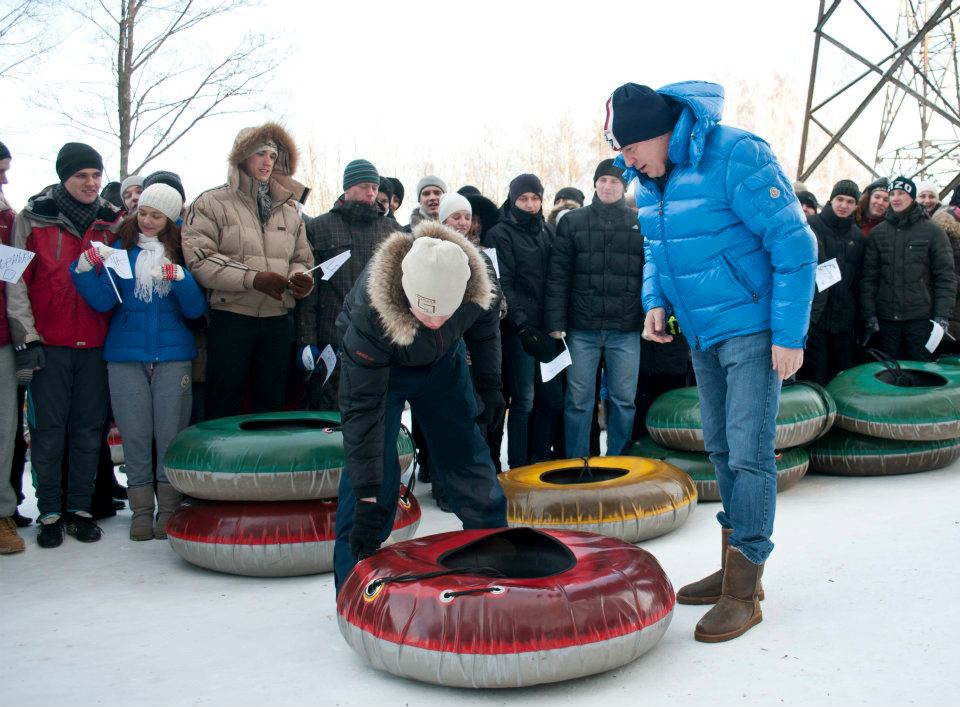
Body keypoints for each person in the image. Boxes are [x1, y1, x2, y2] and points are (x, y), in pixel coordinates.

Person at [606, 81, 816, 641]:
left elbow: (795, 244)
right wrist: (655, 301)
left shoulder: (736, 154)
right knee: (721, 445)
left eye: (629, 150)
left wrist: (789, 333)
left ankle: (744, 591)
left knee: (749, 450)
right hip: (701, 331)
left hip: (752, 325)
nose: (625, 162)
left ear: (657, 133)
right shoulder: (648, 184)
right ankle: (734, 566)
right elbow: (657, 249)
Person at [332, 220, 506, 589]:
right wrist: (367, 500)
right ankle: (353, 580)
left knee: (468, 455)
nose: (434, 321)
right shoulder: (369, 316)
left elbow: (485, 326)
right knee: (375, 472)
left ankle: (495, 557)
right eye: (426, 313)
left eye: (444, 314)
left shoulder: (478, 281)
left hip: (444, 364)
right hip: (382, 370)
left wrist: (490, 384)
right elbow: (362, 417)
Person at [70, 184, 206, 540]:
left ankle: (170, 511)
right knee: (135, 435)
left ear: (170, 220)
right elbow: (103, 302)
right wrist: (83, 271)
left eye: (155, 216)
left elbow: (194, 310)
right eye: (142, 212)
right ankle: (141, 511)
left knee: (169, 434)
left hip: (173, 355)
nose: (146, 220)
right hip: (126, 356)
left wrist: (181, 280)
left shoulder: (181, 254)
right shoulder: (120, 251)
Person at [6, 142, 123, 548]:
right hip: (49, 342)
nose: (91, 183)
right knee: (48, 430)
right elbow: (15, 282)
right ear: (64, 178)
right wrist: (27, 337)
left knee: (89, 430)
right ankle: (50, 511)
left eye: (96, 175)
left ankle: (80, 509)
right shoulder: (33, 218)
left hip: (96, 342)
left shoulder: (112, 223)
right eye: (81, 176)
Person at [182, 123, 314, 420]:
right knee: (223, 403)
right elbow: (200, 259)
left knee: (272, 405)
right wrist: (252, 279)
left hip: (278, 321)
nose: (268, 161)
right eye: (259, 154)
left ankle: (267, 465)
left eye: (272, 154)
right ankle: (219, 464)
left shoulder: (290, 209)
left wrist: (301, 279)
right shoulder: (210, 202)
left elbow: (302, 257)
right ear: (241, 157)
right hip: (231, 318)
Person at [544, 158, 644, 457]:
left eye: (615, 181)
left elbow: (649, 273)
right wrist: (555, 321)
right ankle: (578, 461)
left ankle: (618, 462)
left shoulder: (639, 223)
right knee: (578, 400)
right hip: (581, 329)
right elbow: (558, 275)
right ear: (595, 184)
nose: (608, 186)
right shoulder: (573, 222)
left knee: (623, 400)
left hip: (625, 329)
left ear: (624, 186)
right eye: (603, 180)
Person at [296, 159, 398, 411]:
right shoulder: (319, 227)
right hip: (331, 339)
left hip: (378, 339)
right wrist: (306, 339)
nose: (371, 193)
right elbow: (309, 292)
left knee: (373, 411)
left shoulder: (390, 230)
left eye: (374, 187)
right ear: (347, 188)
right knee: (329, 412)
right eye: (364, 186)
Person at [488, 173, 561, 467]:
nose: (530, 204)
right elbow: (504, 281)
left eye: (535, 198)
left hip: (549, 328)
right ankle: (518, 463)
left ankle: (541, 456)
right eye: (523, 198)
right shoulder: (499, 233)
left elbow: (557, 278)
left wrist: (556, 320)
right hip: (519, 330)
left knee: (551, 398)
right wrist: (520, 325)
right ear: (513, 199)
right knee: (524, 400)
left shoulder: (547, 231)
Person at [860, 176, 956, 361]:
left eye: (901, 193)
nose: (895, 198)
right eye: (892, 194)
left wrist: (942, 315)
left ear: (912, 197)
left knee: (919, 372)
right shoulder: (878, 233)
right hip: (887, 320)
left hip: (920, 319)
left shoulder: (933, 232)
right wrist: (869, 314)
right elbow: (869, 279)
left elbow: (945, 277)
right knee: (889, 373)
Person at [799, 179, 866, 385]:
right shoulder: (812, 226)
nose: (844, 205)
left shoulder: (857, 236)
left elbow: (859, 280)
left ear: (856, 206)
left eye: (850, 201)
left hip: (843, 324)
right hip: (816, 320)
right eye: (840, 199)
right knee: (815, 378)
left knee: (840, 379)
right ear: (831, 200)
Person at [0, 139, 26, 555]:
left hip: (1, 340)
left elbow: (16, 280)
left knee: (4, 431)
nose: (5, 178)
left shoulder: (8, 220)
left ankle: (2, 512)